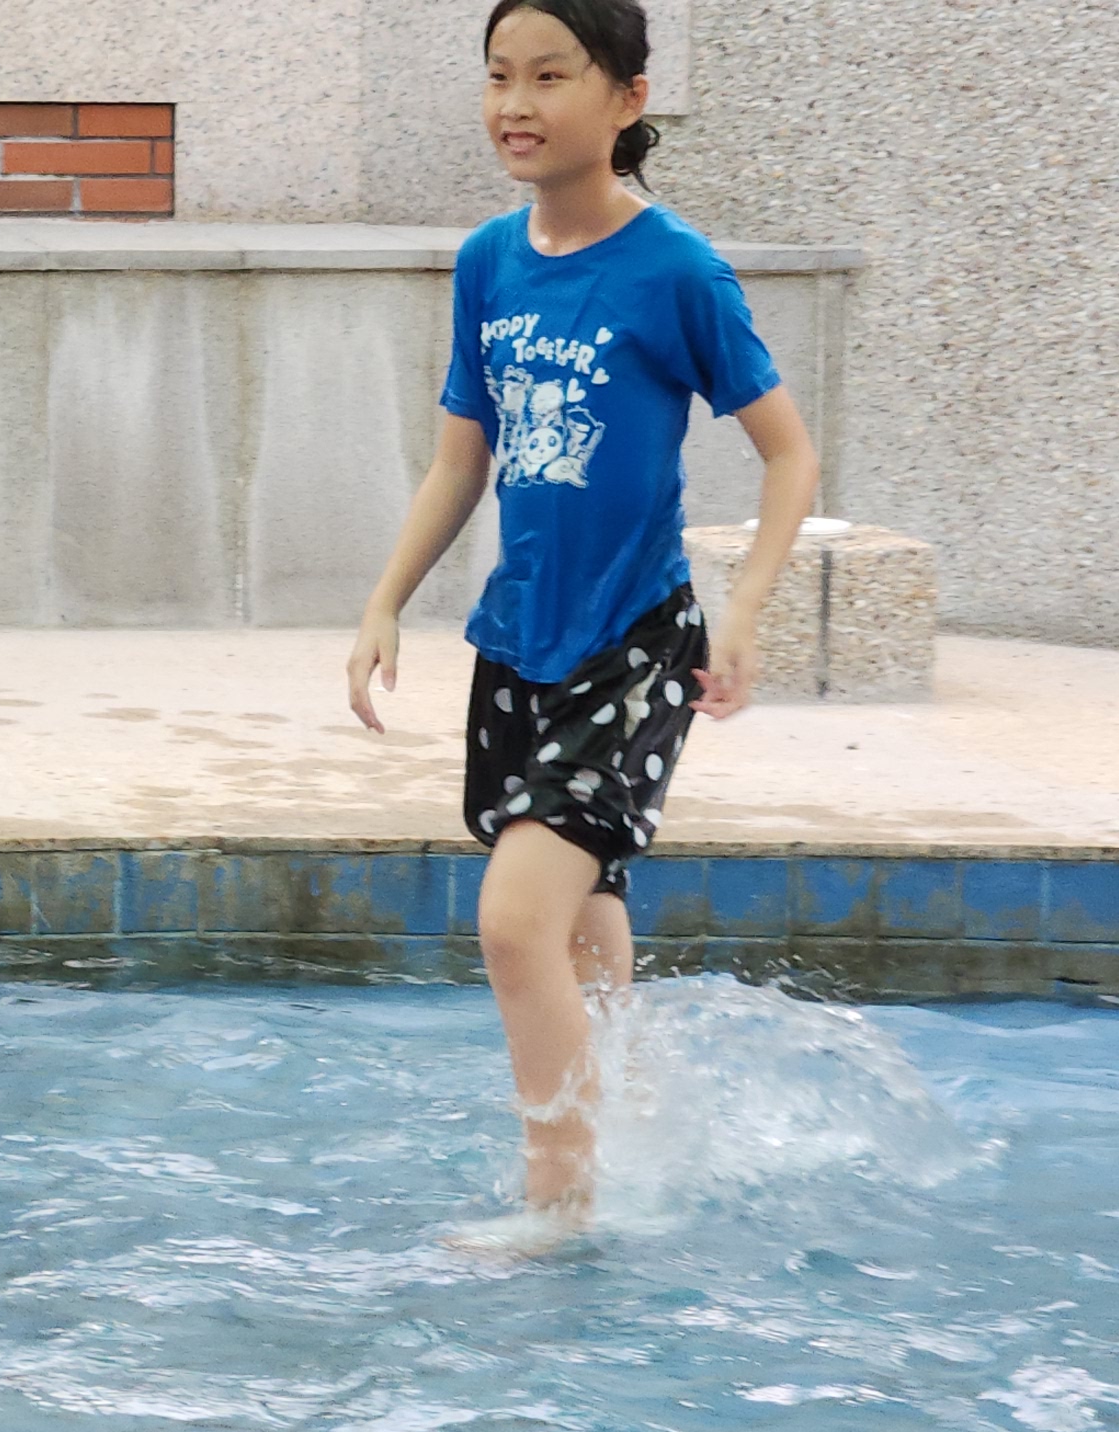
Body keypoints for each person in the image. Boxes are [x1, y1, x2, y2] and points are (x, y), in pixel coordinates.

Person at [345, 0, 820, 1224]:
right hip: (518, 643)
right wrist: (385, 600)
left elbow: (788, 454)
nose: (515, 104)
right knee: (579, 917)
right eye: (499, 76)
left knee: (513, 925)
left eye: (549, 77)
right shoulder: (488, 261)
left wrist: (743, 611)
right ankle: (640, 1142)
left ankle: (556, 1205)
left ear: (626, 97)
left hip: (632, 645)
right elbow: (460, 460)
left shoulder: (675, 271)